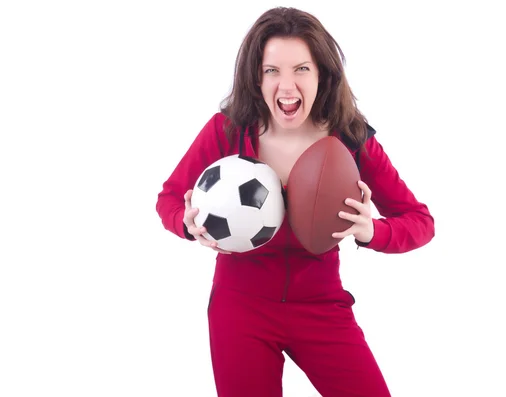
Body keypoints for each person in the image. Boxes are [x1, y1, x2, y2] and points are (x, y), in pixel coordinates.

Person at [156, 6, 435, 397]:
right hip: (240, 308)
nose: (287, 87)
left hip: (322, 307)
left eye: (301, 69)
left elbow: (420, 221)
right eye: (272, 70)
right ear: (256, 76)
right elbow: (169, 198)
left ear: (322, 74)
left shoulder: (351, 139)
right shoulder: (228, 129)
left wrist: (374, 231)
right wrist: (185, 223)